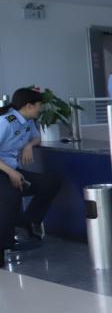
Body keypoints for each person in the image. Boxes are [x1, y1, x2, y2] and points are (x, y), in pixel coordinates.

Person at [0, 87, 61, 254]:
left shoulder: (28, 121)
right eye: (39, 105)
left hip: (11, 169)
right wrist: (12, 173)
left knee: (50, 183)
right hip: (3, 170)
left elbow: (37, 136)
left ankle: (26, 220)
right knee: (11, 196)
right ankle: (5, 244)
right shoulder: (6, 122)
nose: (40, 108)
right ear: (29, 106)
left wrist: (29, 145)